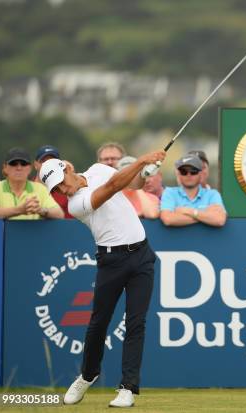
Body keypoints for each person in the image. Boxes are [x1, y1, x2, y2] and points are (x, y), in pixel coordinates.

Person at [38, 150, 166, 407]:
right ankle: (88, 375)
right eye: (57, 190)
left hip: (141, 255)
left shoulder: (98, 169)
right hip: (111, 262)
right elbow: (113, 186)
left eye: (62, 182)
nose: (63, 190)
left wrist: (144, 173)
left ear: (68, 168)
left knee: (136, 323)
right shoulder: (76, 205)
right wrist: (142, 160)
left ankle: (128, 388)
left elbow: (132, 184)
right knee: (99, 323)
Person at [0, 147, 64, 220]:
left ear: (30, 168)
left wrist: (40, 210)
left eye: (23, 164)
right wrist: (20, 210)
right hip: (1, 231)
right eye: (13, 164)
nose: (19, 168)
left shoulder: (40, 188)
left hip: (32, 231)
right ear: (5, 168)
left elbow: (59, 214)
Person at [160, 154, 226, 227]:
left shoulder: (212, 194)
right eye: (184, 171)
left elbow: (219, 220)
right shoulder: (169, 193)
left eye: (193, 171)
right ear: (178, 174)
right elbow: (168, 219)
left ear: (200, 174)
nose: (188, 175)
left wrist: (188, 211)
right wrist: (205, 215)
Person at [33, 145, 73, 218]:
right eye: (43, 161)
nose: (47, 165)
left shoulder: (65, 192)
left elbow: (70, 223)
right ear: (35, 164)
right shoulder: (25, 187)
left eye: (52, 161)